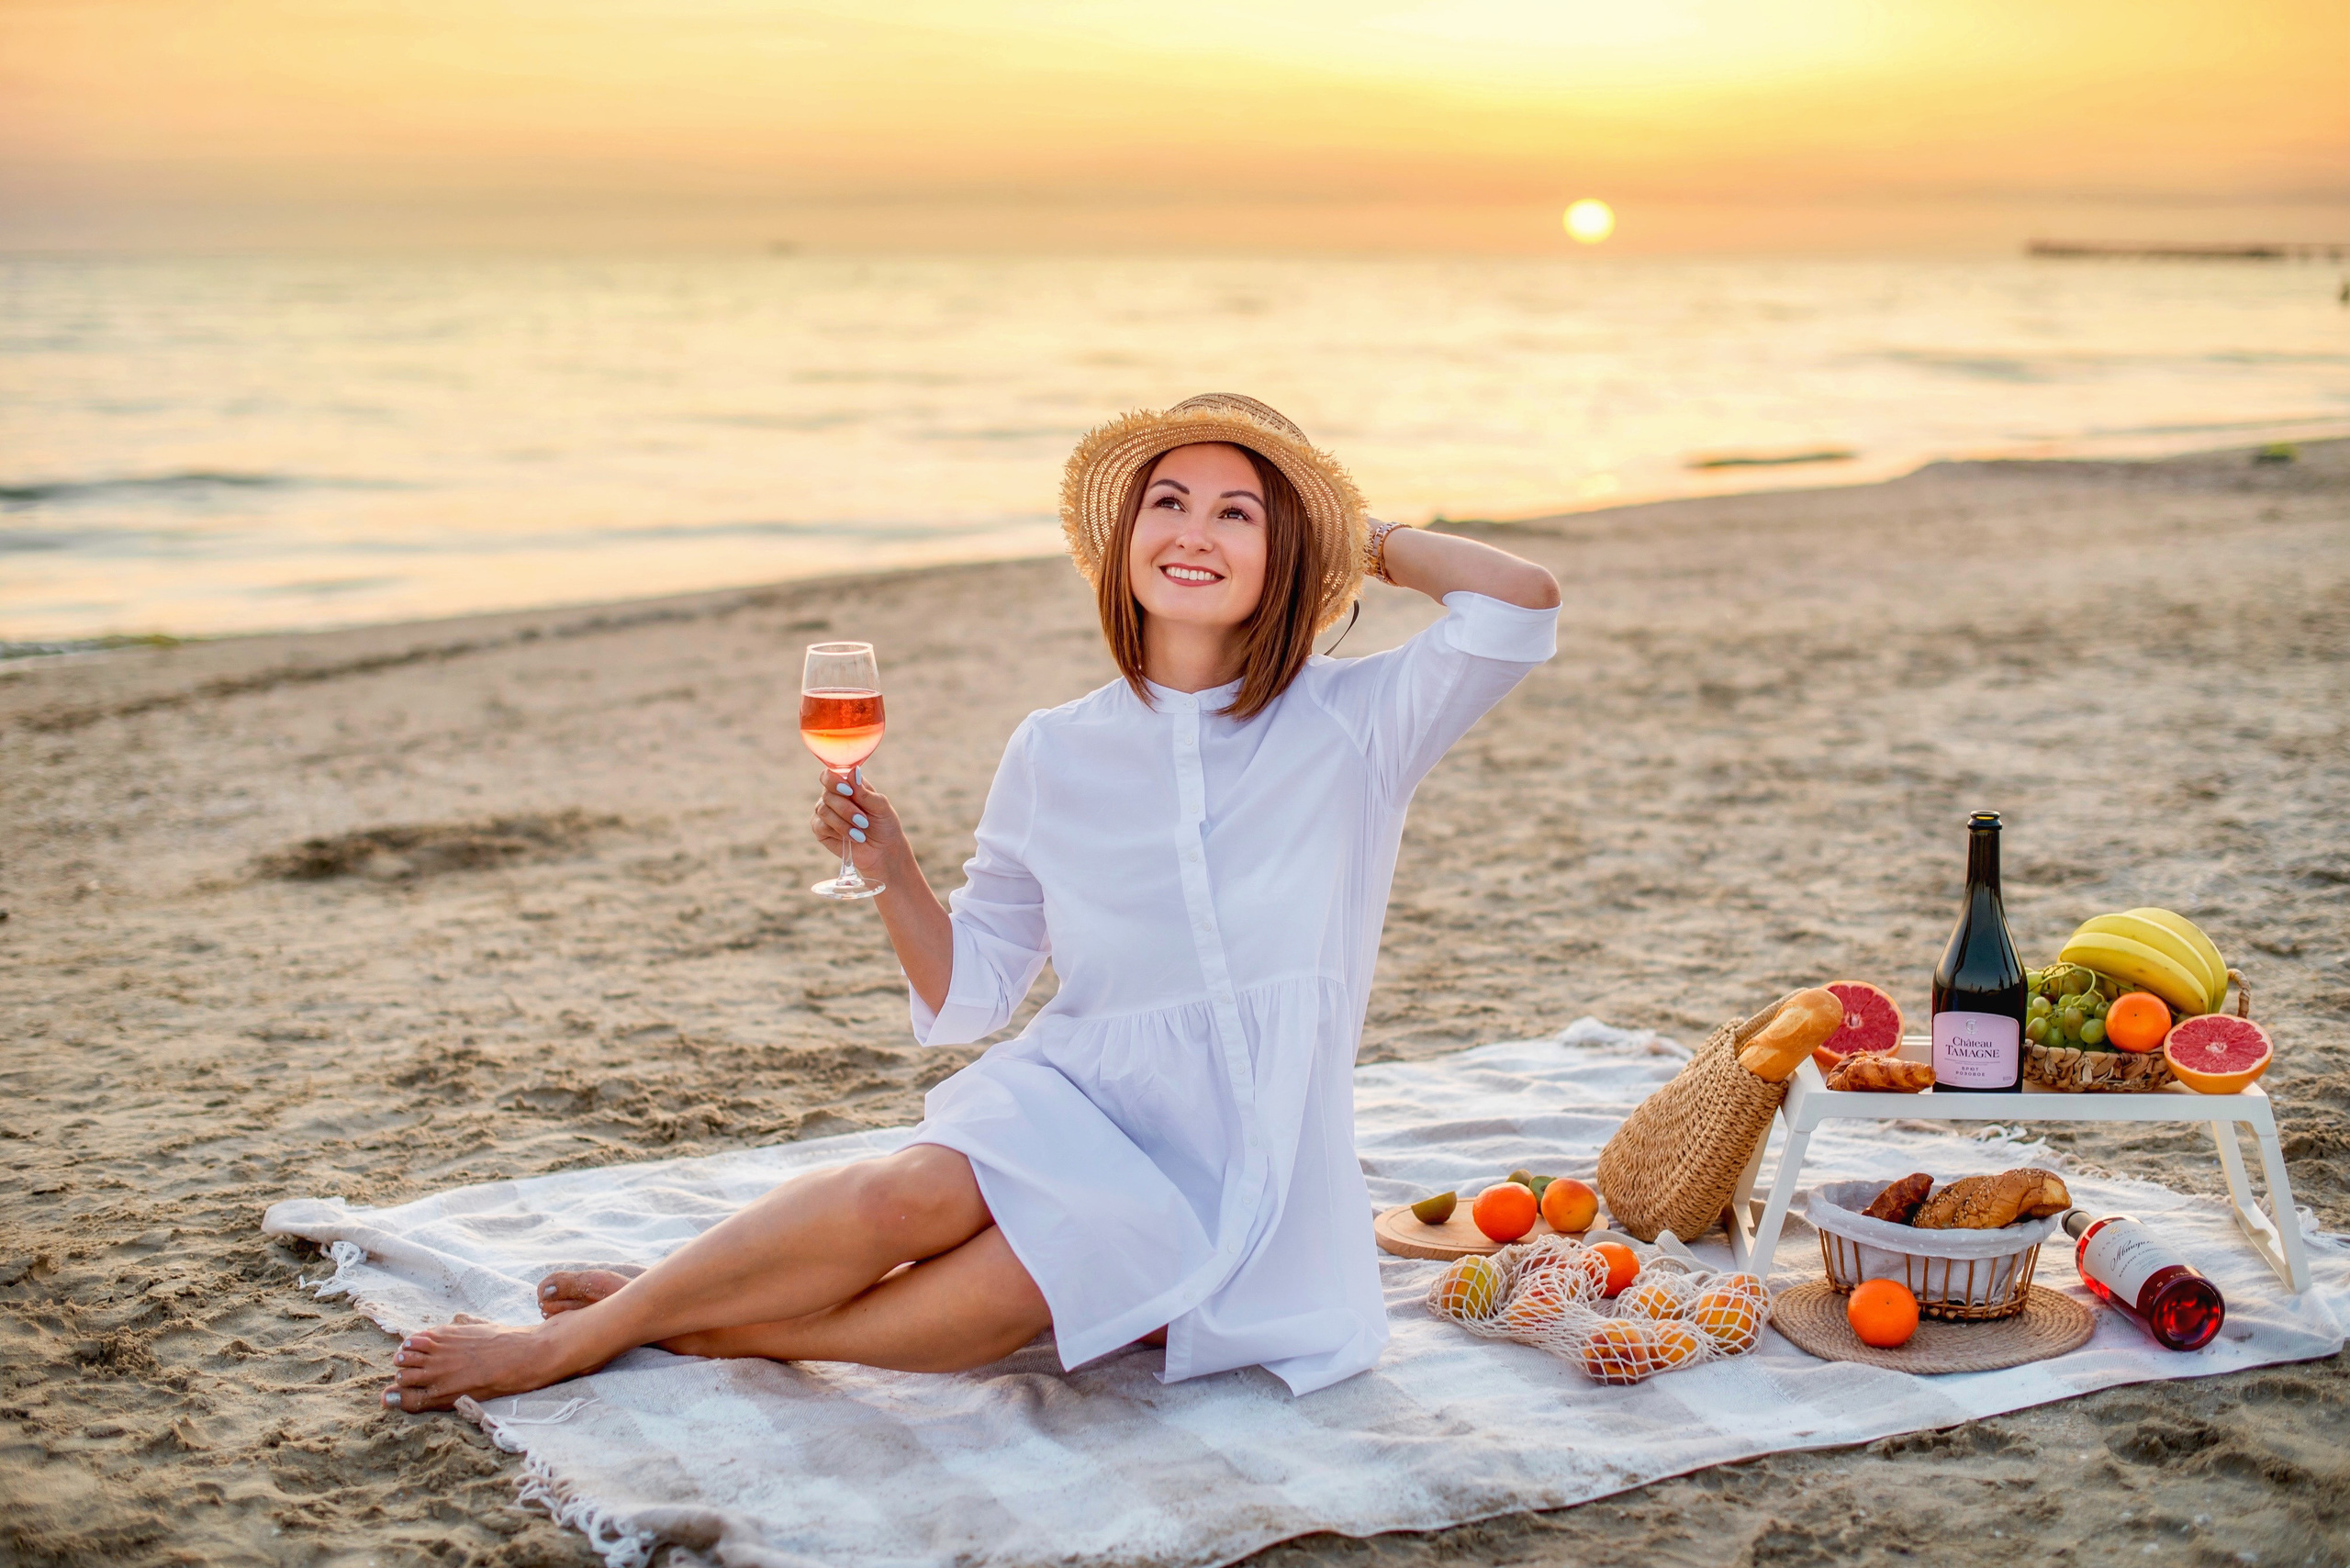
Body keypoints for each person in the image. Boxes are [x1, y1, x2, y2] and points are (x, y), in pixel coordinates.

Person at [383, 393, 1559, 1411]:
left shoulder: (1356, 724)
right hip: (1081, 1093)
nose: (1193, 531)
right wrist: (896, 871)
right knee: (913, 1189)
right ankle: (578, 1339)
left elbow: (1518, 603)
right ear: (1123, 543)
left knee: (1014, 1287)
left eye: (1236, 512)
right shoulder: (1055, 747)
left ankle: (694, 1321)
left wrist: (1360, 533)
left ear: (1283, 557)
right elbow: (972, 990)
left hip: (1243, 1154)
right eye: (1167, 503)